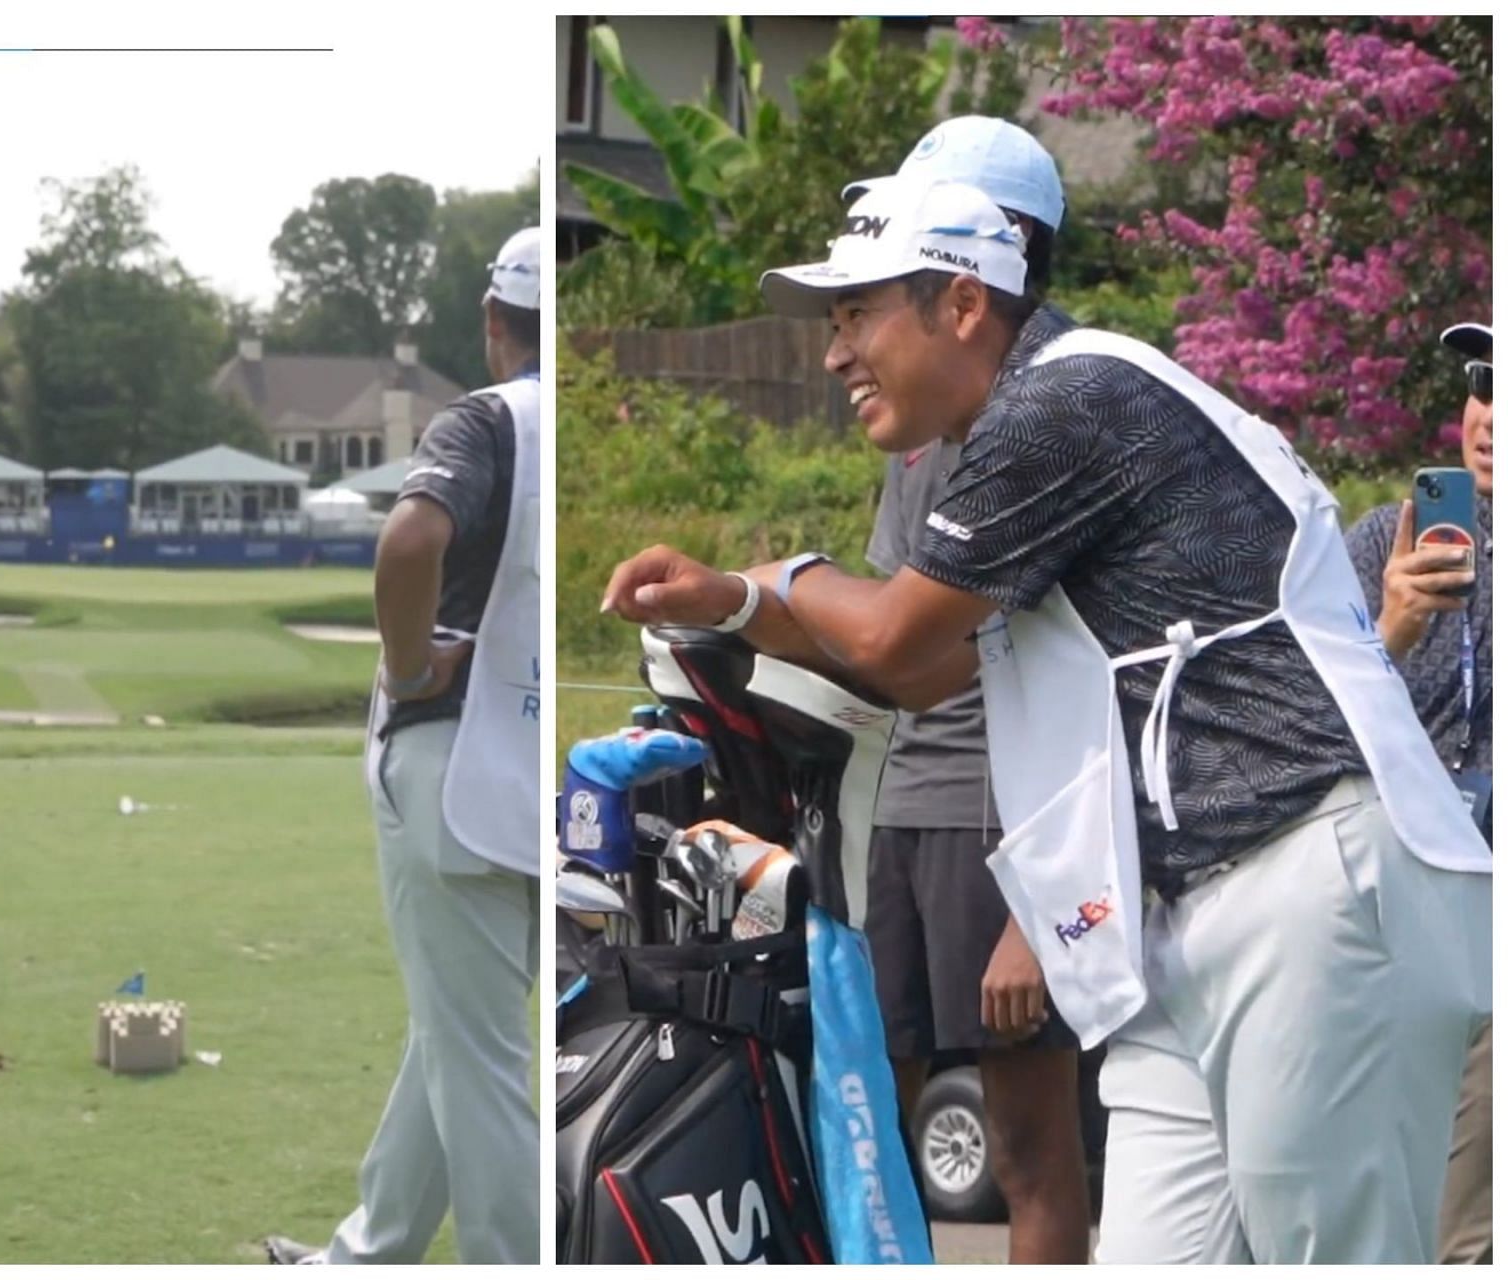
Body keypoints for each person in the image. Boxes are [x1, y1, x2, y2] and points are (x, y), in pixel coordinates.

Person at [600, 174, 1490, 1263]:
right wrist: (737, 607)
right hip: (1186, 914)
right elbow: (924, 677)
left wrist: (769, 576)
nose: (836, 353)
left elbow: (892, 641)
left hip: (1314, 882)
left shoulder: (1065, 400)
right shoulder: (1032, 413)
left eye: (858, 314)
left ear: (964, 306)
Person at [265, 227, 542, 1266]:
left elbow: (412, 537)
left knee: (477, 1064)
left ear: (491, 322)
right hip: (527, 787)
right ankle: (369, 1250)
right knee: (454, 1037)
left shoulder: (490, 416)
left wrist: (411, 658)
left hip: (450, 776)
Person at [858, 118, 1088, 1263]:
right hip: (908, 804)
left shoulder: (1051, 413)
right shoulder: (919, 419)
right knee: (869, 1125)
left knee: (1031, 1150)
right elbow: (886, 642)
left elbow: (1087, 689)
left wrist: (1036, 914)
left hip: (1005, 824)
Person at [1345, 321, 1492, 1264]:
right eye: (1484, 381)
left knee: (1461, 1225)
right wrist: (1392, 625)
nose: (1488, 412)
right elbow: (1309, 718)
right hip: (1391, 895)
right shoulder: (1381, 541)